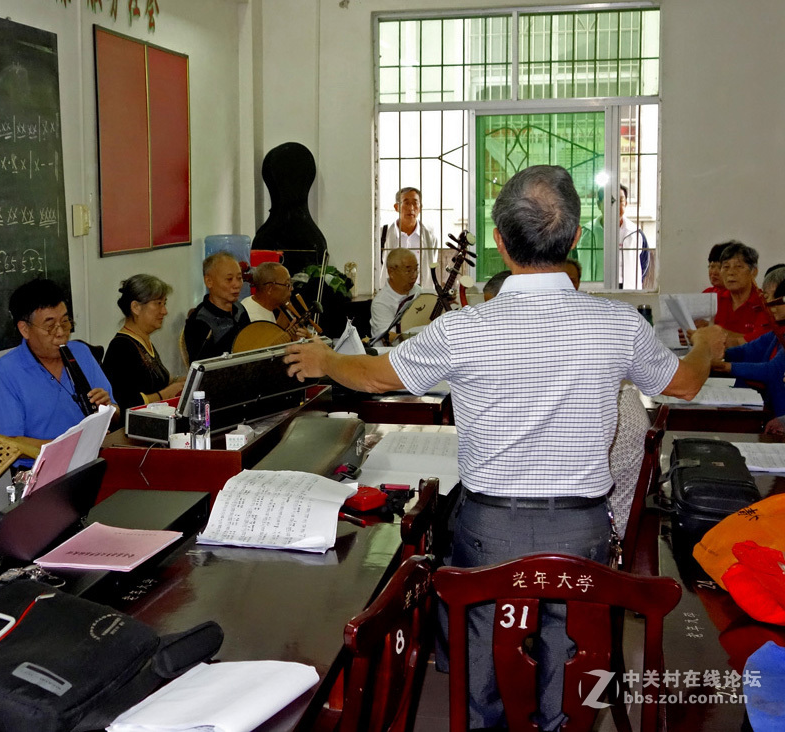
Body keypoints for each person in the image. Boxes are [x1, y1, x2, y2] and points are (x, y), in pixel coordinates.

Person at [286, 164, 725, 730]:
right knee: (573, 672)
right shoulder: (618, 325)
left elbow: (376, 377)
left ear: (498, 242)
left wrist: (326, 360)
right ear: (573, 238)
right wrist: (706, 347)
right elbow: (684, 385)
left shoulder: (462, 330)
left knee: (484, 667)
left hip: (487, 534)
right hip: (582, 532)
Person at [0, 278, 114, 453]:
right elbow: (9, 443)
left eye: (65, 322)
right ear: (25, 329)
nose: (61, 333)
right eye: (50, 326)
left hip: (91, 456)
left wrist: (106, 410)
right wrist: (69, 446)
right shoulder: (5, 372)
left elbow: (115, 412)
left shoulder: (80, 352)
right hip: (41, 468)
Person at [102, 275, 185, 423]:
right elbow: (126, 404)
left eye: (164, 303)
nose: (164, 311)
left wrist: (183, 380)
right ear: (136, 307)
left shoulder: (143, 340)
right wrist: (166, 394)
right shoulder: (121, 348)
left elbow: (156, 378)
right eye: (158, 304)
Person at [714, 280, 785, 417]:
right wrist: (715, 354)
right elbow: (744, 352)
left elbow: (772, 370)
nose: (772, 308)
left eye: (778, 303)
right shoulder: (777, 333)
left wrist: (727, 367)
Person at [378, 186, 455, 290]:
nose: (411, 208)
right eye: (406, 203)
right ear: (396, 207)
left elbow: (431, 266)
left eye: (415, 203)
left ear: (420, 207)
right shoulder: (383, 234)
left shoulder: (430, 237)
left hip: (421, 296)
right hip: (391, 295)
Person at [574, 183, 649, 288]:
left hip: (626, 288)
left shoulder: (635, 234)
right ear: (599, 204)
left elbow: (644, 264)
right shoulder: (586, 232)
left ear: (626, 203)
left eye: (621, 200)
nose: (616, 206)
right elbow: (574, 262)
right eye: (610, 201)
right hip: (594, 288)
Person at [183, 251, 250, 362]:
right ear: (209, 281)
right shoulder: (200, 321)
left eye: (239, 278)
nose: (237, 285)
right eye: (229, 279)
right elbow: (202, 369)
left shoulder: (240, 309)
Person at [713, 241, 773, 347]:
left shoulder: (764, 302)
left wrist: (712, 332)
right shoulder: (715, 299)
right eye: (726, 267)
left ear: (753, 272)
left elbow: (759, 342)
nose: (731, 272)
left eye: (739, 266)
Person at [370, 248, 422, 339]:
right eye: (408, 271)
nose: (414, 276)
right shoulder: (381, 303)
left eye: (416, 269)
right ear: (391, 272)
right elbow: (389, 338)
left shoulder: (418, 291)